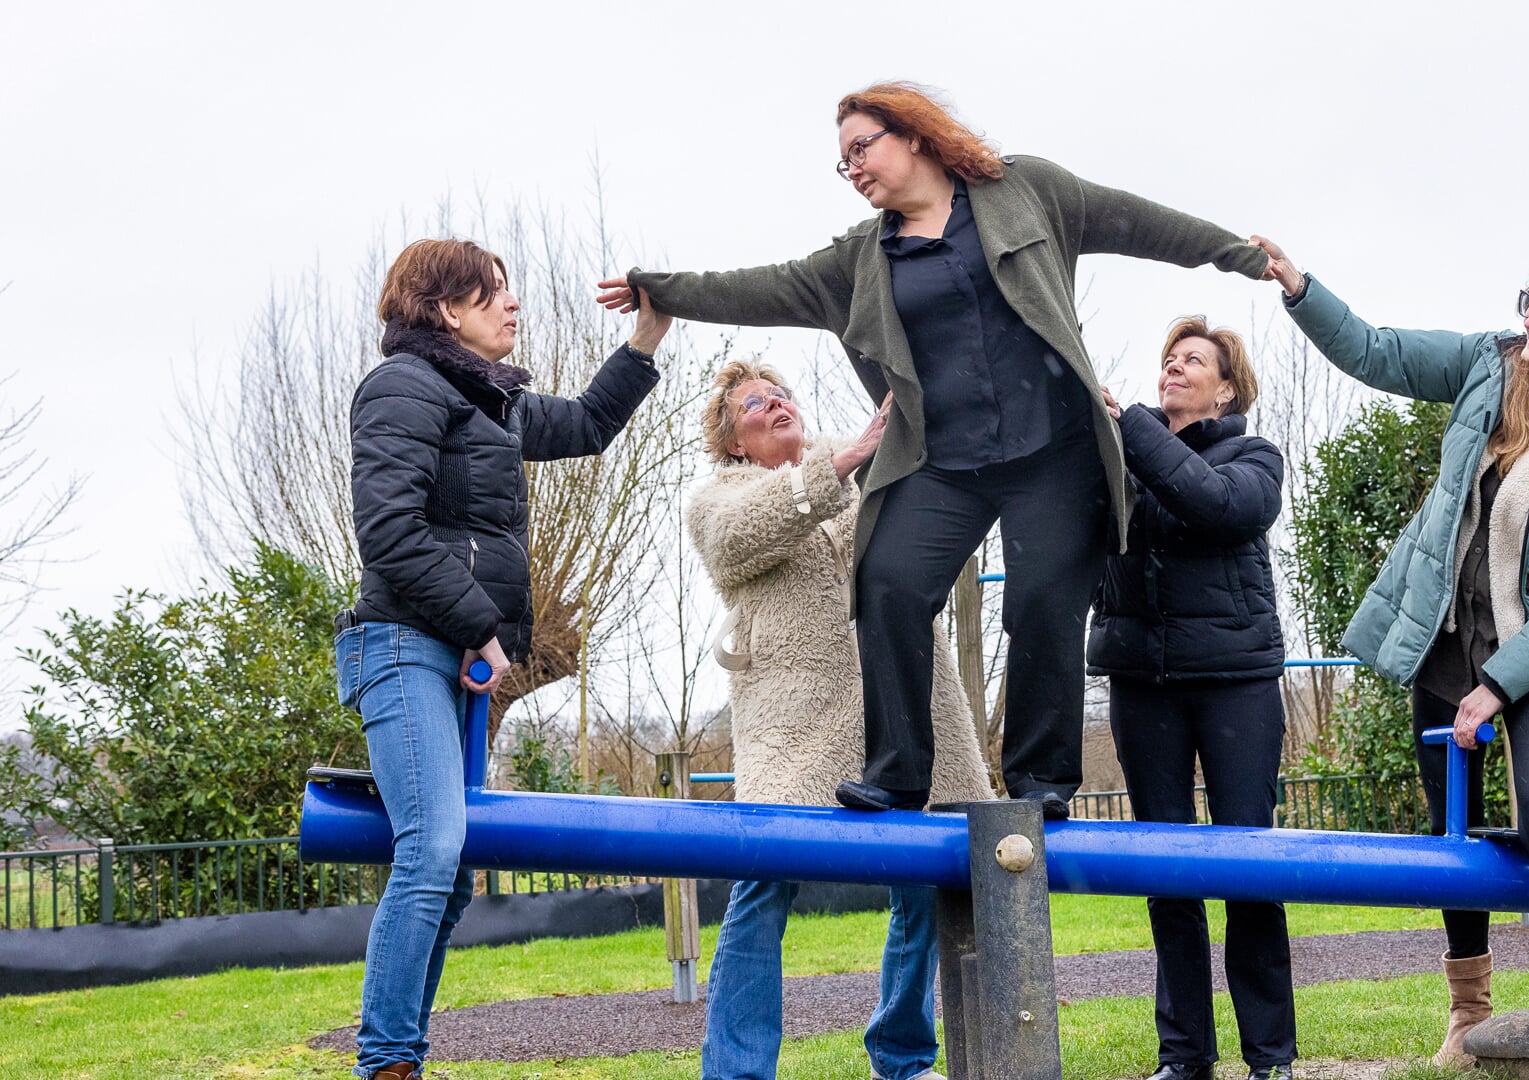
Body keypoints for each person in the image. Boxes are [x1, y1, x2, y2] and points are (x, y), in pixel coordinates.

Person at [598, 81, 1278, 818]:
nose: (853, 168)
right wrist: (654, 287)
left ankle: (1039, 780)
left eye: (862, 148)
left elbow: (1136, 219)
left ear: (914, 136)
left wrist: (1234, 254)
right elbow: (755, 287)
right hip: (940, 462)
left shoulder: (1025, 192)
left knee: (1043, 600)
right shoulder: (857, 260)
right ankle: (896, 773)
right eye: (843, 162)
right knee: (887, 581)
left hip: (1053, 452)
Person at [1261, 238, 1529, 1080]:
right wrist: (1300, 288)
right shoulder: (1489, 366)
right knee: (1451, 833)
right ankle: (1466, 1013)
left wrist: (1499, 686)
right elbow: (1375, 351)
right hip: (1446, 643)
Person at [338, 239, 665, 1080]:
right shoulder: (401, 387)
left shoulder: (494, 404)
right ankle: (384, 1063)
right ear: (446, 311)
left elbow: (590, 425)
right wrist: (483, 626)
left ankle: (399, 1055)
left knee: (449, 877)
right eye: (493, 296)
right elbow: (390, 533)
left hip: (452, 655)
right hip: (404, 643)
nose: (512, 308)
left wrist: (645, 342)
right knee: (434, 846)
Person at [686, 359, 994, 1080]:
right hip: (796, 728)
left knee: (925, 882)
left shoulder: (862, 482)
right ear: (733, 441)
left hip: (907, 712)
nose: (776, 405)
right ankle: (736, 1071)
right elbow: (741, 537)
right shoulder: (716, 499)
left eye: (782, 394)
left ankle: (904, 1053)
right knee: (763, 882)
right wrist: (845, 457)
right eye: (755, 404)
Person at [1088, 318, 1295, 1080]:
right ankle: (1184, 1055)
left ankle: (1269, 1055)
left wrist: (1131, 428)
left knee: (1248, 865)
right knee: (1166, 873)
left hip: (1236, 680)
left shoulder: (1253, 456)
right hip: (1143, 684)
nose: (1174, 368)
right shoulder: (1124, 457)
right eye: (1168, 359)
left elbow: (1211, 502)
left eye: (1193, 361)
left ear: (1226, 388)